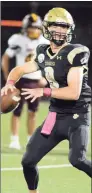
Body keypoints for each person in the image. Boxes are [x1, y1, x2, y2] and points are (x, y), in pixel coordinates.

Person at [1, 7, 92, 193]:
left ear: (70, 29)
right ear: (46, 28)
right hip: (55, 116)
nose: (60, 31)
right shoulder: (43, 51)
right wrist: (9, 82)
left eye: (64, 27)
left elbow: (73, 92)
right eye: (55, 26)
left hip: (77, 117)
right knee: (28, 161)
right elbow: (20, 69)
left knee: (78, 160)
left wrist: (43, 91)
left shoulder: (77, 52)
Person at [2, 13, 49, 150]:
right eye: (31, 27)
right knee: (16, 110)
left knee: (33, 112)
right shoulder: (18, 39)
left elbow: (50, 63)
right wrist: (7, 78)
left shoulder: (44, 42)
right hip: (20, 81)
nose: (34, 30)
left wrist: (45, 78)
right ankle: (14, 139)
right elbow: (5, 57)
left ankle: (30, 139)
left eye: (36, 27)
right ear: (25, 28)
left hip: (35, 82)